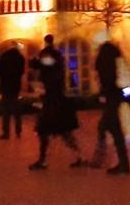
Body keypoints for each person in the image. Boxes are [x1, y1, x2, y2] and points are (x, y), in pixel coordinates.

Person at [28, 34, 82, 170]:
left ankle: (43, 160)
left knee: (44, 130)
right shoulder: (59, 56)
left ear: (46, 42)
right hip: (60, 99)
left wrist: (36, 61)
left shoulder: (47, 56)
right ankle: (78, 156)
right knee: (64, 131)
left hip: (51, 100)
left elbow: (37, 64)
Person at [88, 38, 130, 175]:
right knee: (112, 129)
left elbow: (105, 81)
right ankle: (122, 163)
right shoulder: (114, 59)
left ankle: (104, 158)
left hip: (111, 98)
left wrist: (103, 94)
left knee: (108, 127)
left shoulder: (104, 62)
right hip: (115, 96)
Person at [0, 43, 25, 139]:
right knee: (16, 109)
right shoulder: (20, 57)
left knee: (5, 110)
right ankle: (18, 131)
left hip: (5, 86)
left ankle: (6, 133)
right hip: (15, 86)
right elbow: (22, 71)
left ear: (9, 46)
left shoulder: (4, 56)